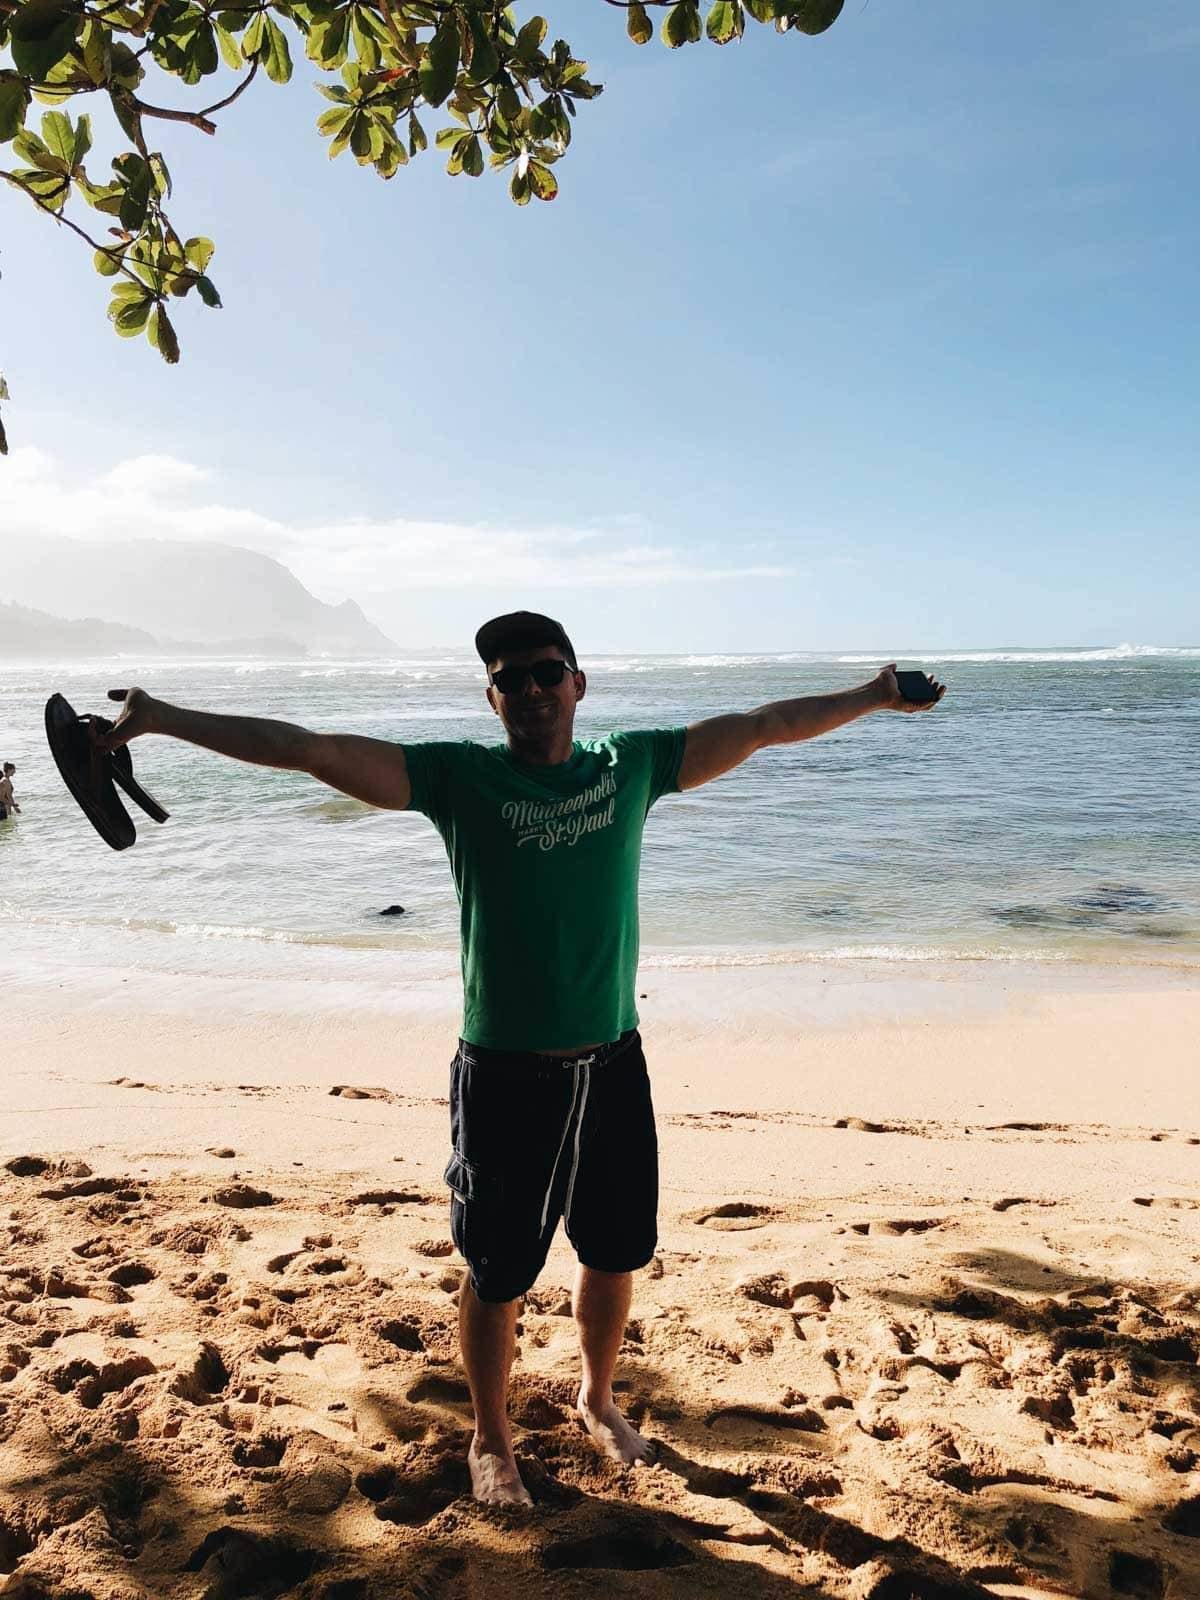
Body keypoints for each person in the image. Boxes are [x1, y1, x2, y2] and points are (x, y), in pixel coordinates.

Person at [97, 611, 945, 1507]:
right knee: (499, 1269)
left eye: (549, 673)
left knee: (615, 1251)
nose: (533, 690)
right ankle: (491, 1438)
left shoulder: (635, 766)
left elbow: (767, 725)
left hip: (614, 1063)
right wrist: (162, 717)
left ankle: (596, 1398)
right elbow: (309, 747)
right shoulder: (458, 778)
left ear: (580, 684)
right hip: (505, 1072)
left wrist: (873, 696)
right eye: (513, 679)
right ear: (492, 696)